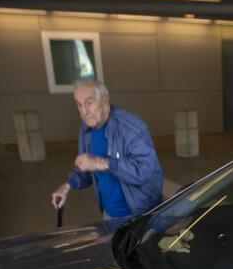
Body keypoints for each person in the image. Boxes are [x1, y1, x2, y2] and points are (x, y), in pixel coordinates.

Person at [50, 78, 163, 220]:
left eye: (89, 103)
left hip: (142, 213)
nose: (84, 111)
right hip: (110, 213)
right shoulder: (86, 129)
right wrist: (66, 186)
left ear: (104, 102)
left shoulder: (131, 128)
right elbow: (86, 167)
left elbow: (143, 171)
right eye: (79, 105)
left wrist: (100, 162)